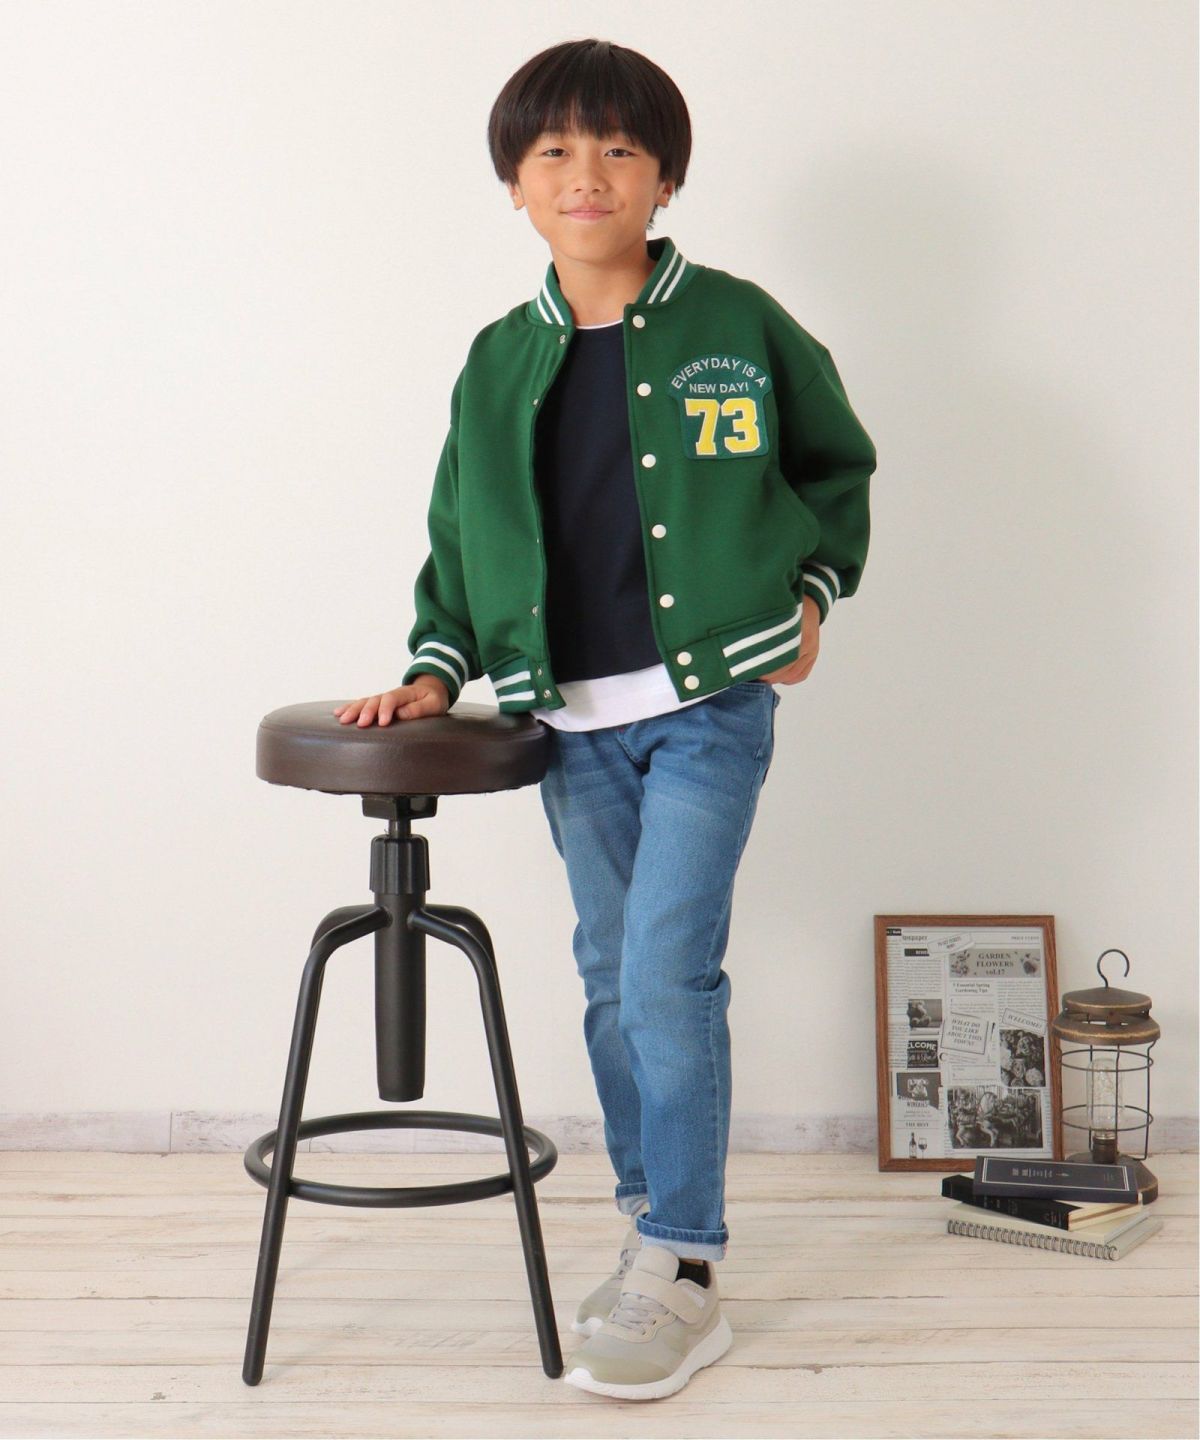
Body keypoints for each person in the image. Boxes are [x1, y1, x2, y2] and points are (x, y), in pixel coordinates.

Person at [334, 37, 877, 1401]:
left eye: (621, 149)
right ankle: (652, 1229)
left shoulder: (737, 324)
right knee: (607, 973)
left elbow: (836, 464)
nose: (589, 174)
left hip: (709, 705)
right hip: (572, 726)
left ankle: (684, 1261)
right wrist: (436, 667)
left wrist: (812, 592)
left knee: (667, 973)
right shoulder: (496, 359)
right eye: (556, 152)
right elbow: (461, 534)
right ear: (516, 184)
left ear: (666, 178)